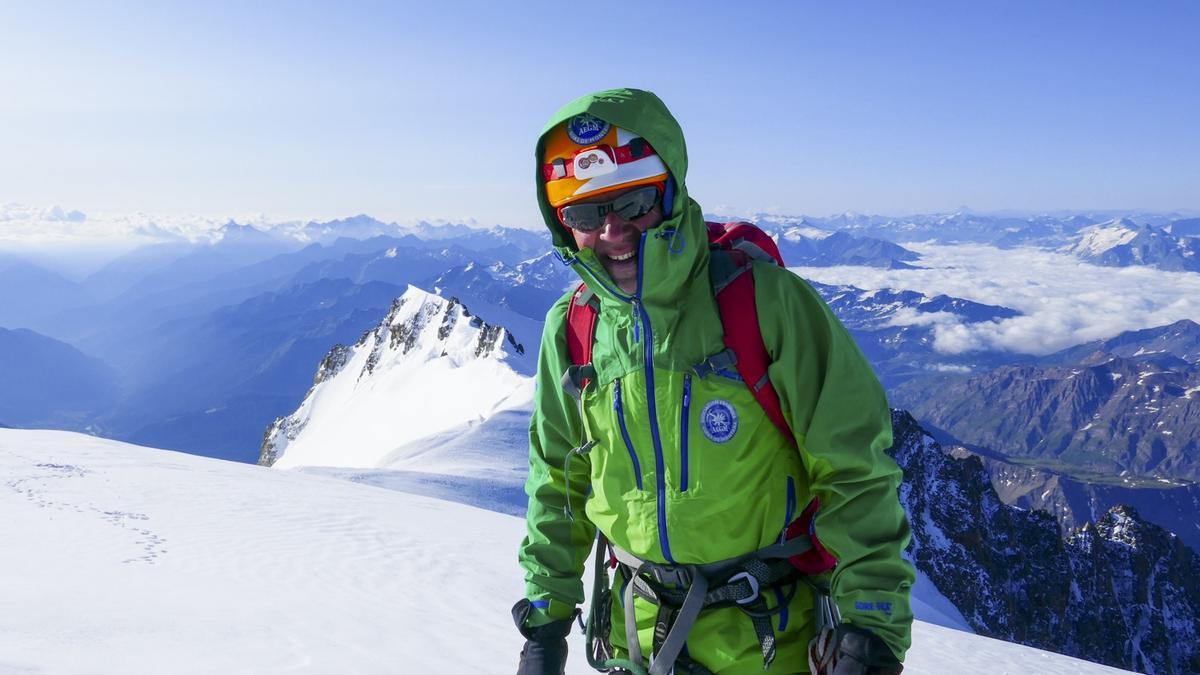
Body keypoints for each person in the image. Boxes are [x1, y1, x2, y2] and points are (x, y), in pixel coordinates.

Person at [514, 88, 913, 675]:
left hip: (770, 641)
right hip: (637, 639)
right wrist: (545, 622)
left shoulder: (766, 304)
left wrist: (871, 625)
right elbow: (558, 480)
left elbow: (855, 467)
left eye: (632, 203)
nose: (612, 233)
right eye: (583, 215)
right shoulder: (572, 330)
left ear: (671, 190)